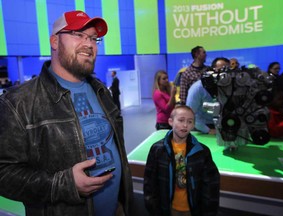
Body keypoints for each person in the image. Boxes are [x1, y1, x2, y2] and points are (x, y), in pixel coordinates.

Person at [0, 10, 133, 216]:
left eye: (93, 38)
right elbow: (4, 174)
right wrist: (63, 184)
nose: (89, 44)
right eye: (78, 34)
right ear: (54, 41)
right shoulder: (18, 103)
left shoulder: (101, 91)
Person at [144, 105, 220, 216]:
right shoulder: (158, 150)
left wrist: (208, 211)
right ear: (170, 121)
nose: (185, 125)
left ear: (193, 125)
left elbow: (211, 185)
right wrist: (154, 209)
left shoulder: (202, 152)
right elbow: (150, 183)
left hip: (193, 210)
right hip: (167, 209)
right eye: (181, 120)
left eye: (190, 122)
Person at [186, 57, 230, 134]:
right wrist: (207, 130)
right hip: (201, 128)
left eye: (227, 70)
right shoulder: (198, 88)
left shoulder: (229, 87)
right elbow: (190, 113)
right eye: (221, 69)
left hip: (224, 125)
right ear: (213, 70)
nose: (224, 73)